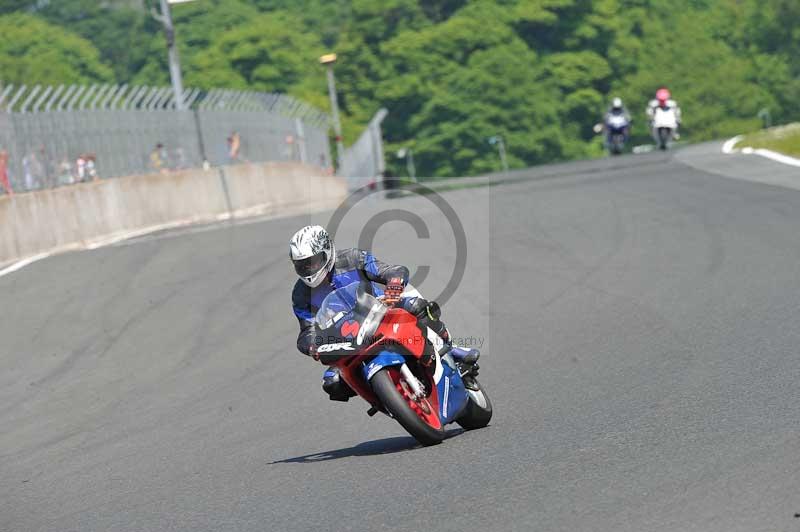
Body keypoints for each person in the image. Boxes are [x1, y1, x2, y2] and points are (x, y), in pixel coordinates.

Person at [289, 225, 480, 401]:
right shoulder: (300, 295)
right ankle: (386, 396)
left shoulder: (352, 259)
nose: (309, 269)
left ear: (327, 252)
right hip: (346, 339)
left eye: (313, 262)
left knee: (417, 306)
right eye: (302, 265)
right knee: (333, 383)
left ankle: (452, 350)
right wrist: (313, 345)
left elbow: (390, 270)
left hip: (383, 310)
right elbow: (307, 331)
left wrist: (395, 282)